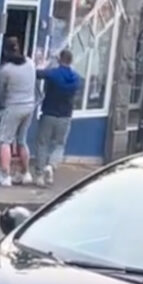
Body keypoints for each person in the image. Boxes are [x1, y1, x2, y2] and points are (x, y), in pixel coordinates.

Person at [0, 37, 37, 187]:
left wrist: (3, 103)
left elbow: (1, 92)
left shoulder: (6, 70)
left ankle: (5, 176)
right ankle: (26, 173)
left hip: (13, 106)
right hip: (29, 106)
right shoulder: (30, 63)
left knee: (5, 141)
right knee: (22, 141)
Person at [34, 49, 82, 187]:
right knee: (59, 145)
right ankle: (51, 165)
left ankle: (39, 175)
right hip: (65, 116)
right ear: (71, 61)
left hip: (49, 113)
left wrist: (44, 63)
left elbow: (38, 73)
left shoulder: (53, 74)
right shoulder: (75, 78)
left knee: (42, 143)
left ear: (60, 59)